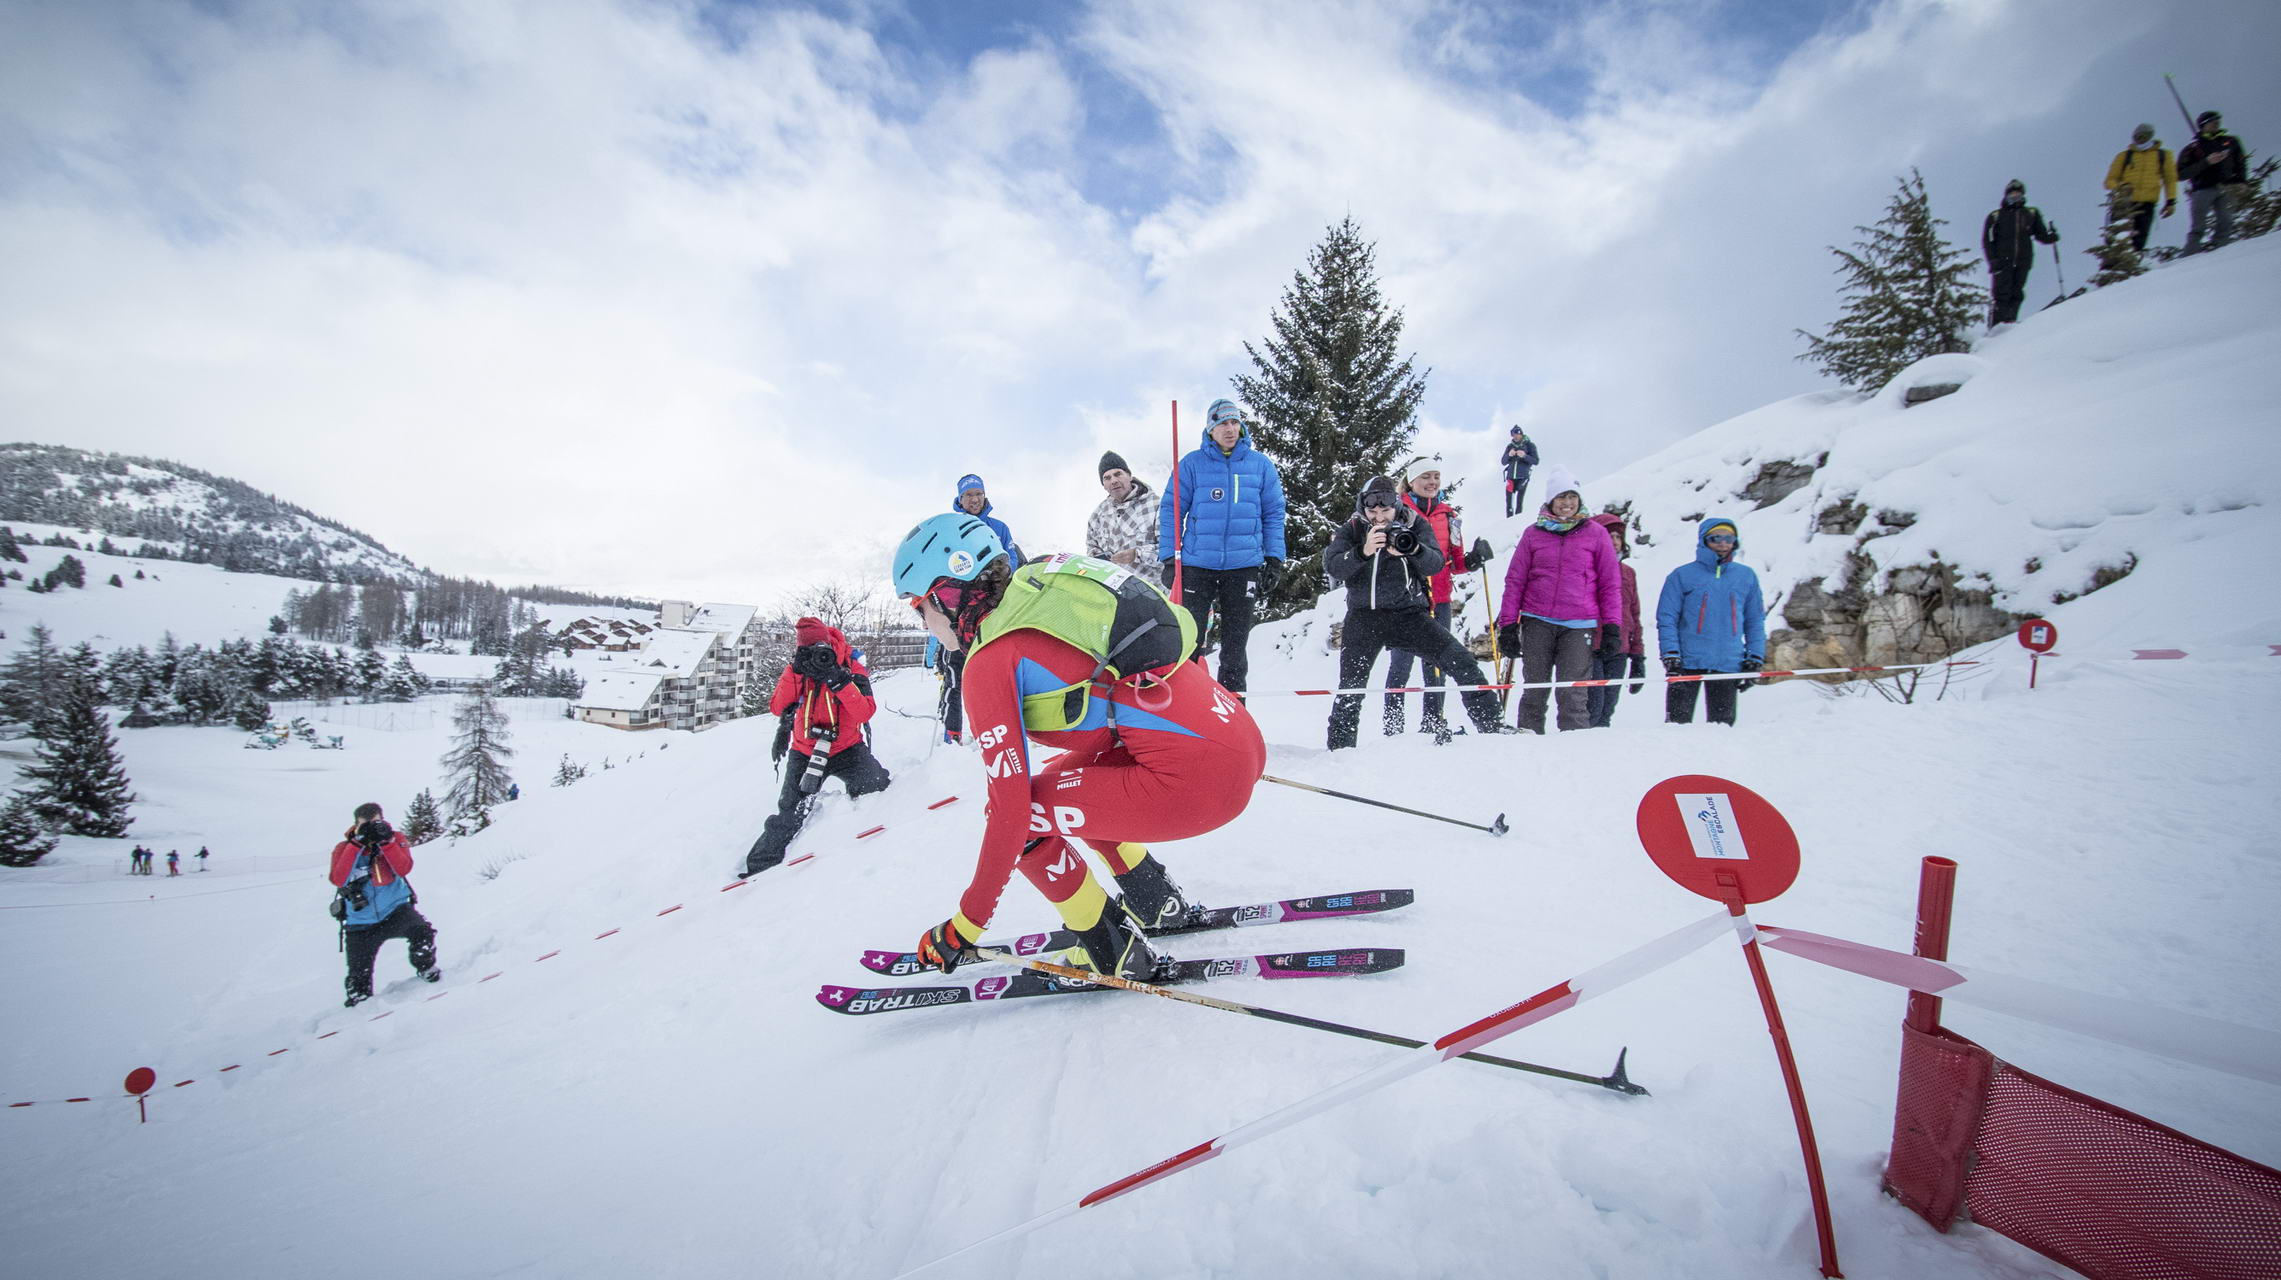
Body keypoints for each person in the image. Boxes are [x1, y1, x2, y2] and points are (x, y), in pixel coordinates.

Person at [892, 513, 1261, 981]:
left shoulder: (988, 662)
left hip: (1202, 784)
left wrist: (965, 926)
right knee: (1067, 782)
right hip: (1236, 739)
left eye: (918, 606)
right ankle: (1155, 901)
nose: (923, 622)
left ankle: (1112, 950)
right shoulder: (1044, 594)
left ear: (947, 595)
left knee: (1026, 817)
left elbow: (1010, 809)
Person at [1326, 476, 1514, 750]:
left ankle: (1493, 726)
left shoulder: (1414, 523)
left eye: (1385, 510)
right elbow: (1333, 566)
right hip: (1364, 617)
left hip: (1408, 614)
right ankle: (1339, 750)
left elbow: (1435, 563)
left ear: (1395, 505)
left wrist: (1412, 548)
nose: (1379, 517)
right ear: (1363, 507)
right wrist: (1363, 551)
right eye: (1372, 511)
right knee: (1351, 686)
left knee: (1460, 660)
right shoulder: (1353, 528)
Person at [1158, 398, 1287, 696]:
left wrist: (1274, 558)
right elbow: (1171, 510)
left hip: (1243, 567)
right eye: (1222, 424)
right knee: (1189, 642)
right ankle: (1187, 710)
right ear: (1210, 430)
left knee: (1234, 647)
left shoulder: (1260, 465)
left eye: (1234, 423)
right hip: (1196, 564)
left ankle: (1232, 712)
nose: (1229, 429)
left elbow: (1274, 512)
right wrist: (1168, 558)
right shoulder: (1191, 464)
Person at [743, 616, 891, 877]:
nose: (817, 656)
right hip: (804, 750)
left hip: (846, 748)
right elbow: (777, 707)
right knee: (789, 812)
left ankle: (869, 842)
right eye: (808, 650)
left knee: (877, 786)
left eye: (820, 650)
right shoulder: (799, 669)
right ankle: (758, 871)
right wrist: (795, 672)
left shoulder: (850, 664)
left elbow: (865, 712)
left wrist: (840, 680)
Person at [1494, 466, 1624, 734]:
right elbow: (1515, 580)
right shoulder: (1533, 534)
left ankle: (1573, 748)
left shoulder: (1595, 534)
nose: (1567, 503)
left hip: (1579, 625)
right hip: (1537, 621)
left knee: (1573, 694)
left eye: (1572, 496)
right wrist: (1507, 625)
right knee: (1535, 690)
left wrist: (1612, 626)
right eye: (1561, 497)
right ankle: (1528, 743)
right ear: (1551, 500)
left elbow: (1610, 584)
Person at [1382, 467, 1491, 737]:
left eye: (1436, 477)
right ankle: (1393, 728)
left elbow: (1455, 561)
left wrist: (1474, 559)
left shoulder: (1449, 515)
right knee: (1400, 666)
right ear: (1411, 481)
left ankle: (1432, 722)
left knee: (1437, 666)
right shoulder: (1397, 510)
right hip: (1406, 601)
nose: (1431, 482)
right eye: (1425, 477)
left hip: (1440, 598)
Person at [1655, 517, 1767, 728]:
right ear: (1704, 540)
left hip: (1728, 661)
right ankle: (1672, 761)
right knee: (1676, 727)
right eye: (1716, 538)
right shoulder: (1681, 575)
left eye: (1729, 538)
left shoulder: (1746, 576)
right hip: (1687, 662)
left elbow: (1755, 620)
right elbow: (1667, 618)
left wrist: (1755, 657)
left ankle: (1715, 762)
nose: (1723, 543)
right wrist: (1670, 655)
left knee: (1721, 729)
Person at [938, 474, 1026, 742]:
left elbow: (1010, 559)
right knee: (956, 668)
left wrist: (997, 579)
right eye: (968, 495)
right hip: (961, 609)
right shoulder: (951, 528)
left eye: (978, 494)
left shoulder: (999, 528)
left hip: (993, 606)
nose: (974, 499)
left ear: (984, 496)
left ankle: (1001, 727)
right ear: (960, 499)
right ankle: (952, 732)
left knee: (995, 668)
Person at [328, 802, 440, 1007]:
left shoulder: (394, 838)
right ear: (356, 825)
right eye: (366, 825)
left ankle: (426, 968)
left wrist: (387, 842)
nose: (372, 828)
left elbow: (404, 868)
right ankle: (358, 1006)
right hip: (360, 921)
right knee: (358, 976)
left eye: (376, 823)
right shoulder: (344, 848)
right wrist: (357, 845)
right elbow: (338, 879)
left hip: (395, 911)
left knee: (422, 932)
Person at [1584, 514, 1646, 729]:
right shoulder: (1587, 569)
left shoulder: (1628, 573)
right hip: (1591, 646)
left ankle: (1601, 751)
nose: (1615, 541)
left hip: (1619, 647)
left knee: (1608, 707)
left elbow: (1634, 614)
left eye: (1618, 536)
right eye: (1608, 535)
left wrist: (1638, 655)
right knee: (1593, 705)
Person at [1982, 179, 2058, 326]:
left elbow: (2040, 234)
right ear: (2006, 196)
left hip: (2023, 259)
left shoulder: (2031, 213)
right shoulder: (1996, 216)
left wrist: (2051, 237)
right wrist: (1992, 260)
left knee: (2017, 292)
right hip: (2003, 261)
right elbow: (1987, 240)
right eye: (2012, 194)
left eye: (2018, 194)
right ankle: (1998, 325)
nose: (2015, 196)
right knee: (2002, 293)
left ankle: (2011, 321)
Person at [2179, 110, 2247, 255]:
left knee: (2226, 220)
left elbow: (2240, 163)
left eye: (2217, 121)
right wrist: (2206, 162)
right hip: (2202, 189)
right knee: (2198, 226)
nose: (2216, 124)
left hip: (2225, 187)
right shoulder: (2193, 148)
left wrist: (2241, 181)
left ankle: (2220, 251)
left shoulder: (2230, 142)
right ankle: (2190, 255)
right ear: (2203, 125)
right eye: (2212, 122)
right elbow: (2180, 173)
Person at [2103, 123, 2177, 253]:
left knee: (2139, 240)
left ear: (2150, 136)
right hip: (2124, 204)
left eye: (2143, 136)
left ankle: (2134, 266)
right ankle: (2115, 268)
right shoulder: (2124, 156)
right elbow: (2109, 180)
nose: (2139, 139)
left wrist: (2170, 201)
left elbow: (2170, 180)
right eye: (2137, 136)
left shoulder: (2163, 155)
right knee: (2117, 240)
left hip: (2147, 204)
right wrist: (2121, 187)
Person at [1086, 451, 1160, 577]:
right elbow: (1091, 548)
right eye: (1107, 478)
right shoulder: (1098, 515)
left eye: (1118, 474)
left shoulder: (1156, 506)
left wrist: (1137, 554)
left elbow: (1169, 552)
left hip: (1150, 590)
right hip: (1112, 590)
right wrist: (1097, 558)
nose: (1113, 480)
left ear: (1130, 476)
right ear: (1103, 485)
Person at [1500, 426, 1540, 518]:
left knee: (1519, 501)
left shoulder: (1530, 445)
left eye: (1517, 434)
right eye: (1514, 435)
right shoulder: (1510, 446)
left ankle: (1518, 519)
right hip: (1510, 477)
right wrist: (1509, 455)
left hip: (1523, 477)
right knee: (1509, 502)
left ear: (1521, 434)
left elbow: (1536, 461)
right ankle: (1509, 520)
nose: (1516, 436)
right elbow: (1503, 462)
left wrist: (1525, 456)